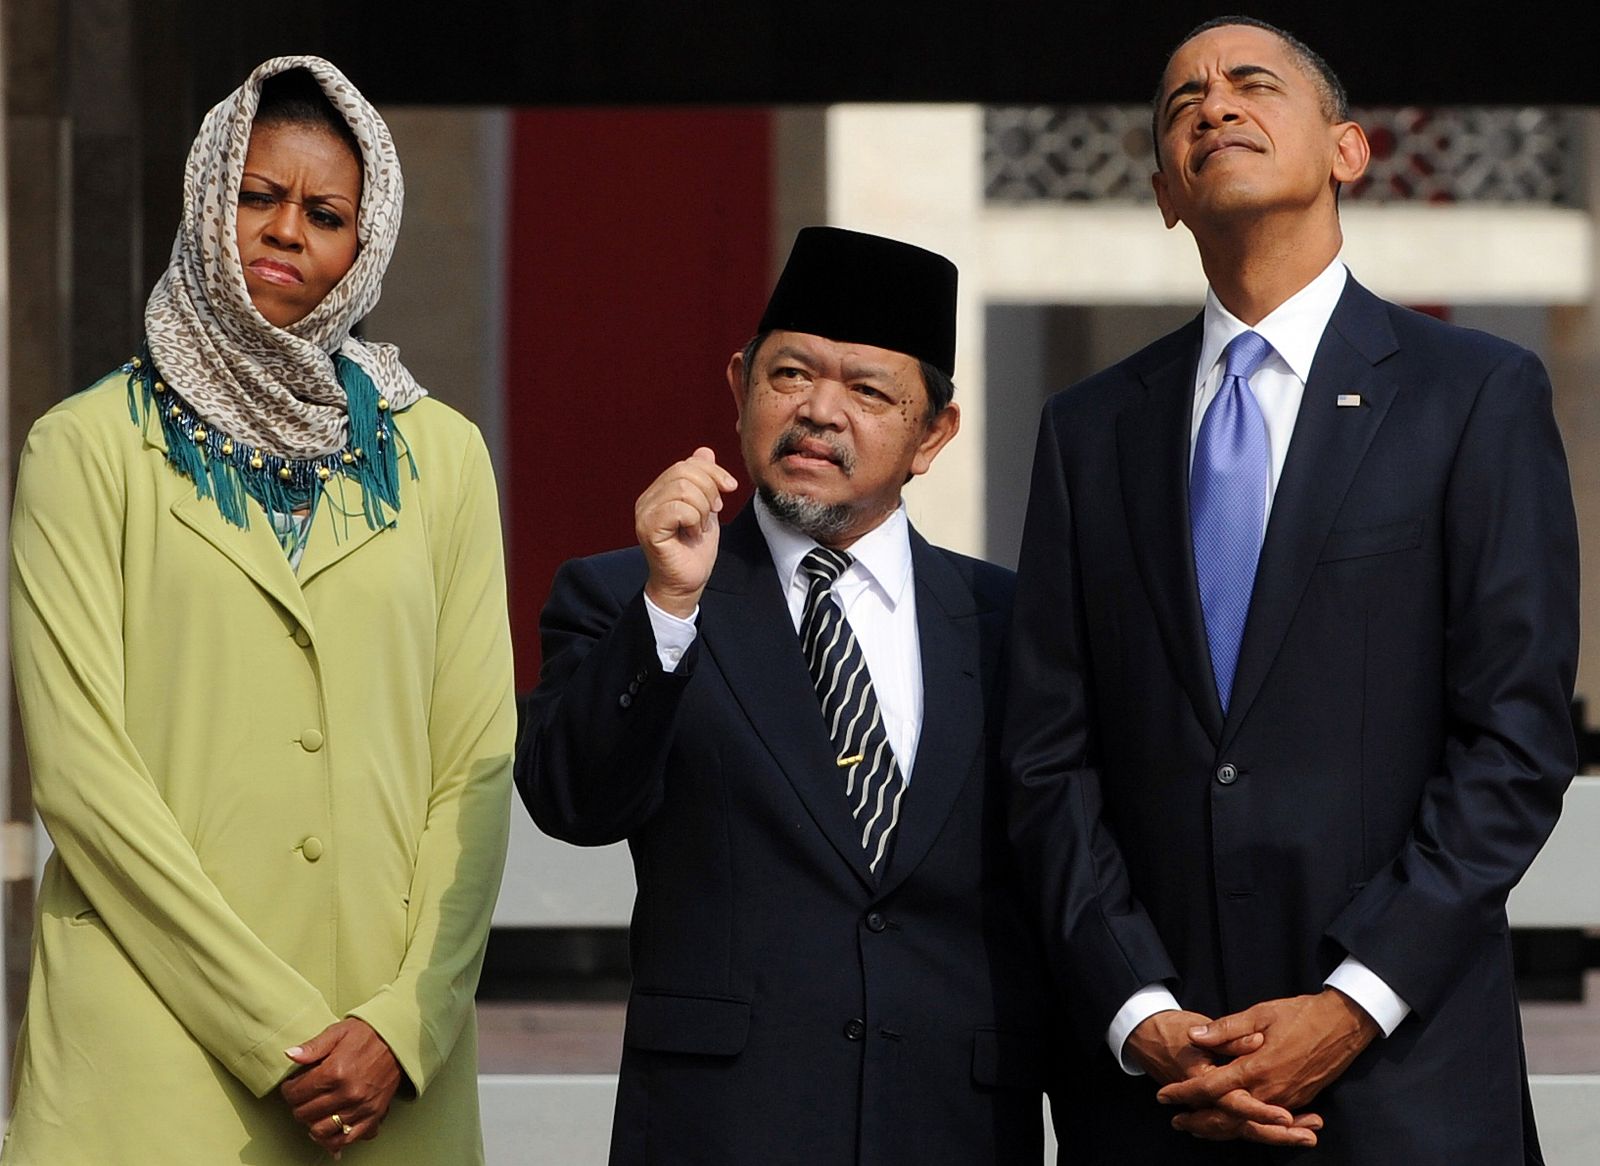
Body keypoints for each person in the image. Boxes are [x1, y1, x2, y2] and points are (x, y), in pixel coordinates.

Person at [1004, 16, 1578, 1164]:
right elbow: (1045, 756)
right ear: (1167, 193)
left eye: (1251, 84)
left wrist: (1352, 998)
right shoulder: (1088, 430)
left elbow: (1513, 736)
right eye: (1180, 105)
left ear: (1348, 152)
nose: (1212, 106)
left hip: (1401, 1082)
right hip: (1159, 1092)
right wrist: (1140, 1011)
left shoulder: (1473, 396)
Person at [2, 56, 514, 1164]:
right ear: (204, 196)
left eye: (326, 213)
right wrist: (280, 1032)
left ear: (363, 244)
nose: (287, 231)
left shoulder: (441, 459)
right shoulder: (85, 451)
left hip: (385, 1072)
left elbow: (473, 759)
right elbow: (84, 780)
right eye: (256, 195)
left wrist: (401, 1022)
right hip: (153, 1059)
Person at [518, 226, 1060, 1164]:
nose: (819, 412)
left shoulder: (1007, 621)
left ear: (935, 433)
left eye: (867, 390)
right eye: (790, 376)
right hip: (721, 1128)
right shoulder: (627, 595)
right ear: (738, 387)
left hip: (953, 1125)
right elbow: (573, 802)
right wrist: (670, 602)